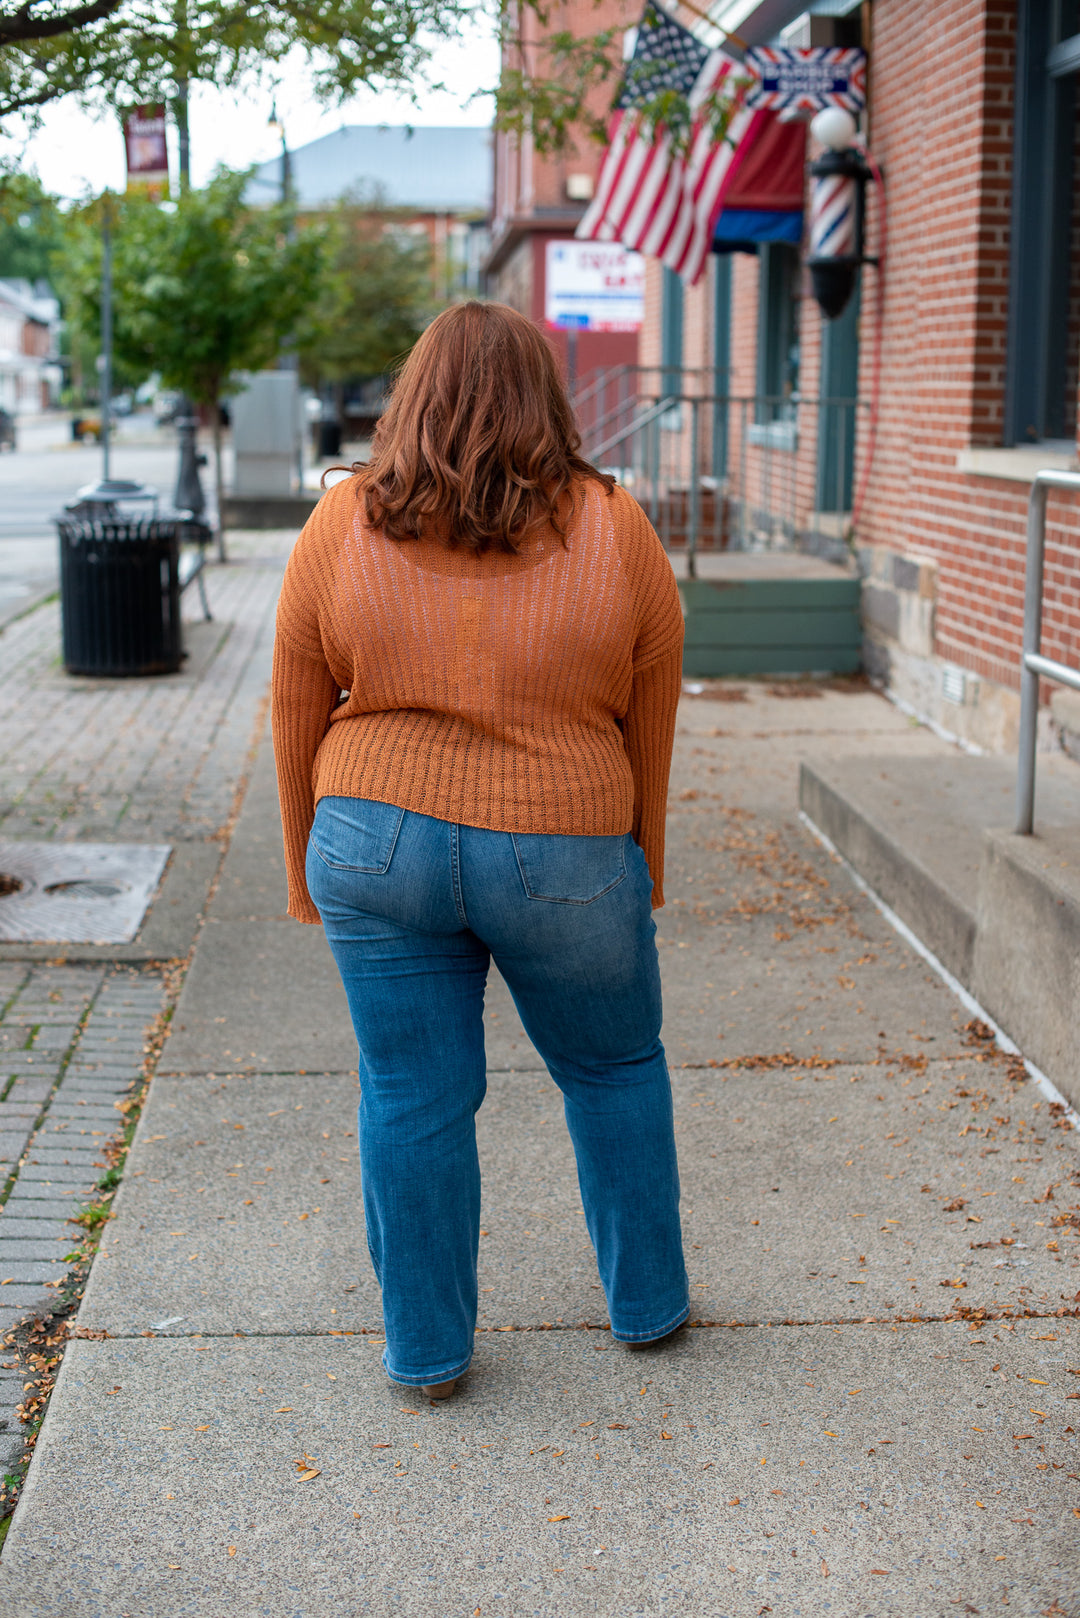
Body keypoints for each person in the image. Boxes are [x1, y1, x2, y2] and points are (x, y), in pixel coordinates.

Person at [271, 301, 688, 1400]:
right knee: (614, 1065)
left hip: (371, 834)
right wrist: (642, 862)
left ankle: (428, 1355)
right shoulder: (617, 523)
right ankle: (646, 1308)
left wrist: (303, 867)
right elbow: (653, 707)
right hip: (567, 842)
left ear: (413, 396)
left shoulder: (341, 521)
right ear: (544, 397)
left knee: (410, 1092)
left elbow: (294, 703)